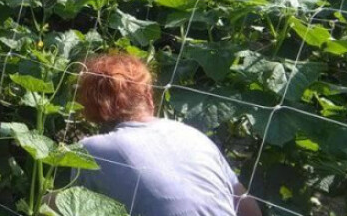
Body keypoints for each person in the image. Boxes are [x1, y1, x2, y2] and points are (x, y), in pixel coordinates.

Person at [70, 53, 262, 216]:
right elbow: (250, 210)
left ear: (91, 108)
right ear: (147, 96)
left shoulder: (89, 150)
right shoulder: (192, 135)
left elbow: (65, 204)